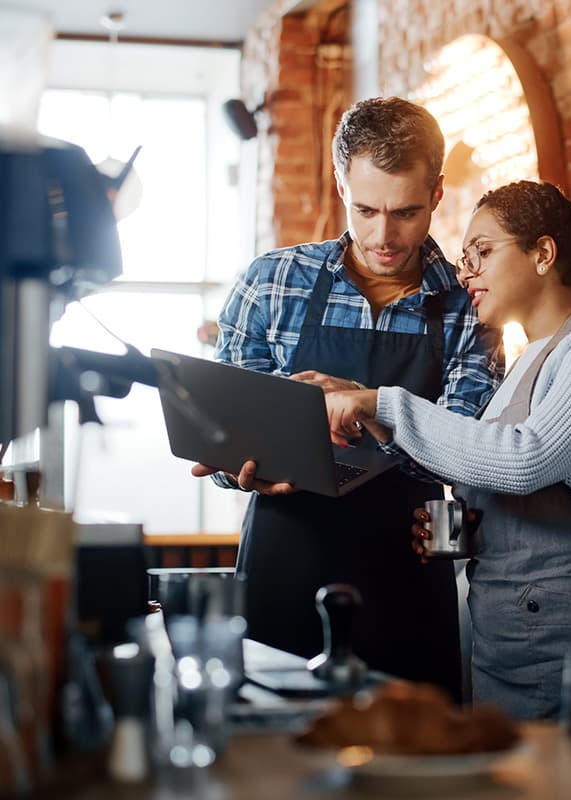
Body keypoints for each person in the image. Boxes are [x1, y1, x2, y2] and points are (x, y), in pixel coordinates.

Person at [324, 180, 571, 720]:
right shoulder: (518, 370)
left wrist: (383, 404)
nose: (466, 271)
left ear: (543, 253)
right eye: (465, 257)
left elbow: (525, 459)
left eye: (482, 253)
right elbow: (518, 489)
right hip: (506, 646)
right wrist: (466, 533)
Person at [192, 96, 503, 701]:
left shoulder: (472, 304)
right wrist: (236, 468)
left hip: (403, 571)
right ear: (340, 183)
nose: (384, 235)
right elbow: (225, 430)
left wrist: (368, 405)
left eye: (406, 212)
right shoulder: (271, 282)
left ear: (437, 194)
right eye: (365, 209)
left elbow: (469, 448)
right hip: (284, 559)